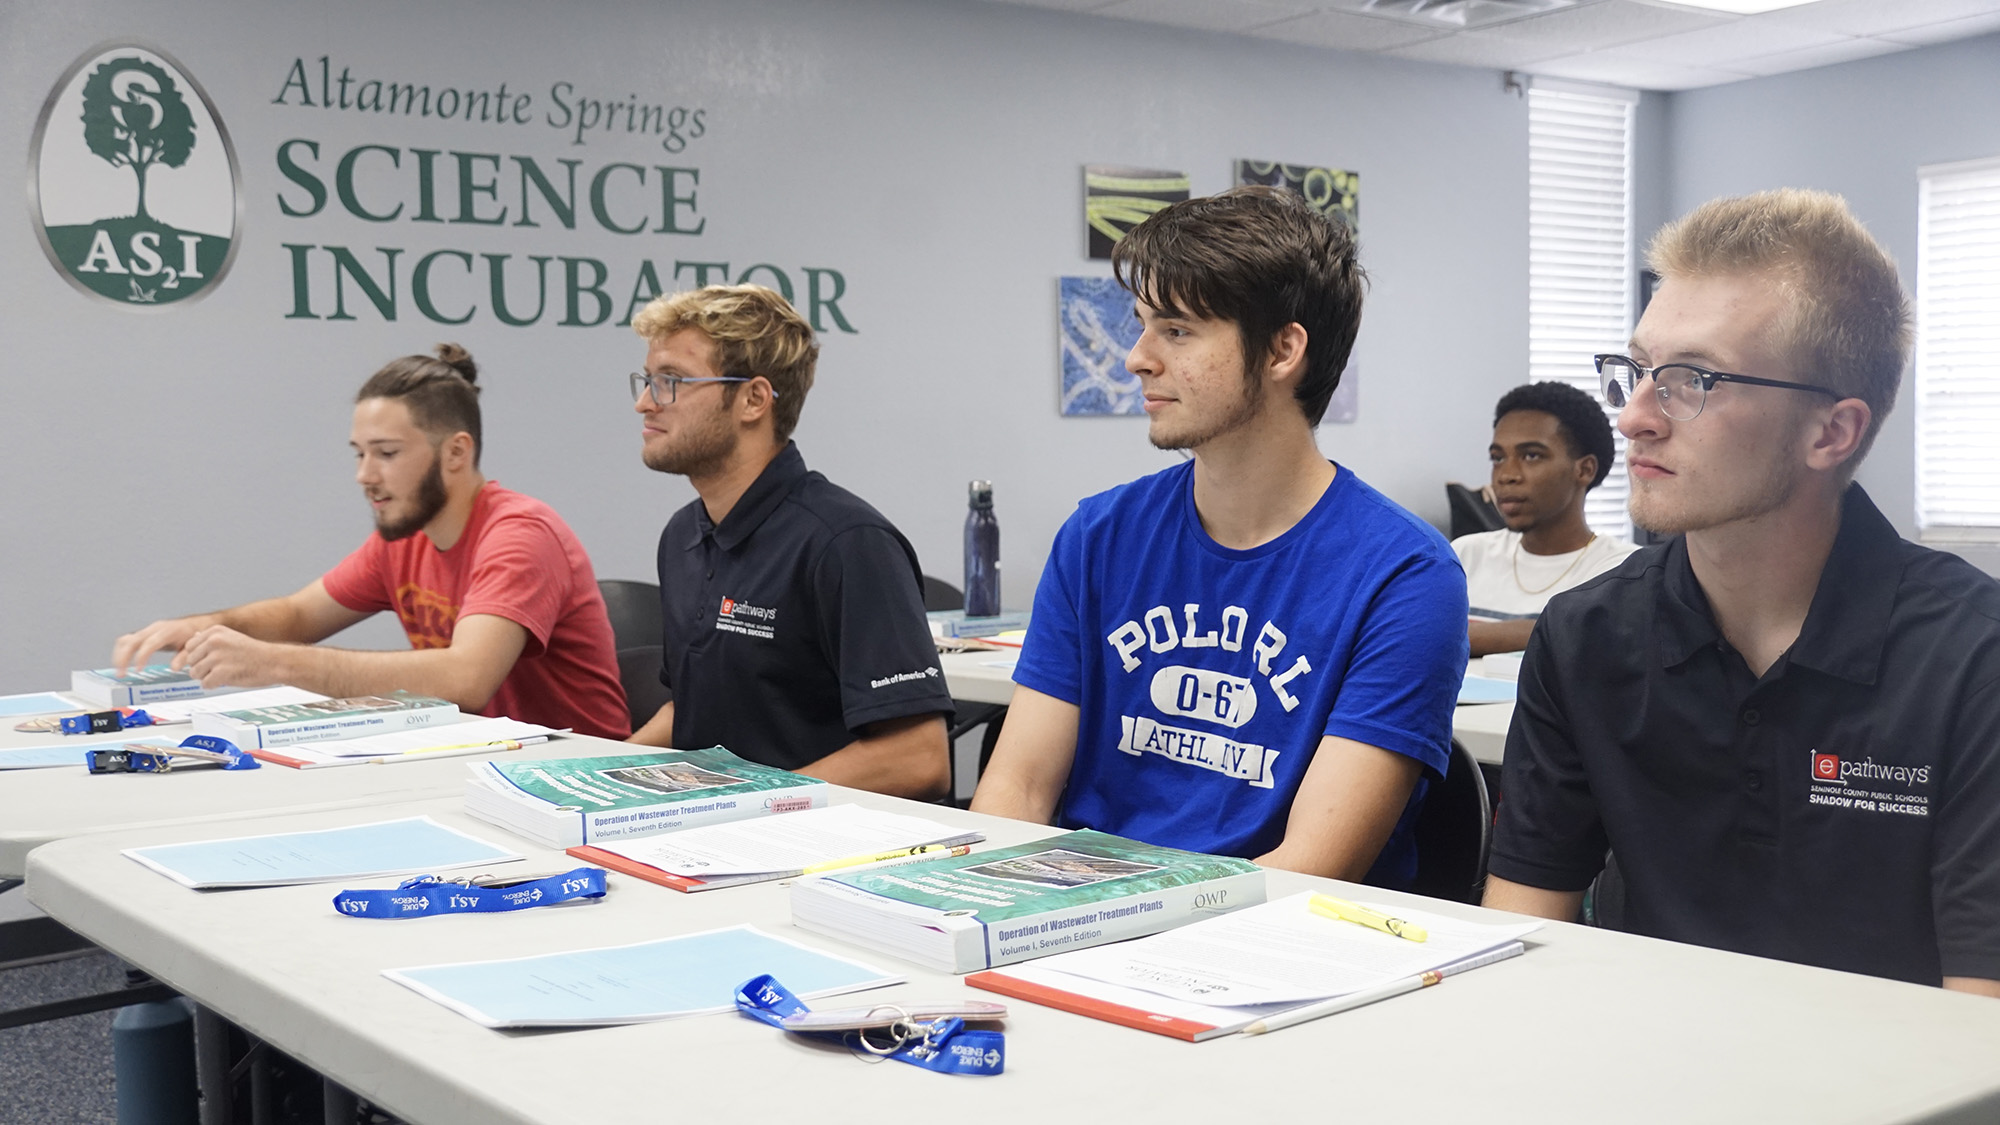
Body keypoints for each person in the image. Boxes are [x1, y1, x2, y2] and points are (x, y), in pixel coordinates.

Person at [1484, 189, 2000, 994]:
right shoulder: (1585, 635)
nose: (1634, 419)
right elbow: (1517, 951)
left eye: (1692, 379)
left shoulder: (1974, 659)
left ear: (1831, 432)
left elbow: (1981, 1031)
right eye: (1638, 371)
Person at [970, 187, 1468, 886]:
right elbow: (1014, 798)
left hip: (1262, 947)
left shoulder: (1406, 576)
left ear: (1282, 350)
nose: (1136, 359)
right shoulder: (1097, 536)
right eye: (1143, 326)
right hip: (1068, 917)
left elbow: (1308, 868)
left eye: (1176, 331)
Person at [113, 345, 630, 740]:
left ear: (456, 452)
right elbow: (298, 616)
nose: (364, 475)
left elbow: (466, 677)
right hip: (478, 764)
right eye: (358, 454)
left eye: (385, 453)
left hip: (573, 778)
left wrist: (273, 662)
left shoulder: (520, 534)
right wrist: (204, 627)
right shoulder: (403, 538)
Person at [625, 284, 953, 801]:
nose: (646, 402)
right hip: (708, 838)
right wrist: (604, 777)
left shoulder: (846, 543)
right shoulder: (682, 535)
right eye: (647, 380)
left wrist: (749, 806)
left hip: (816, 850)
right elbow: (685, 713)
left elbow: (917, 757)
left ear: (754, 399)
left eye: (672, 382)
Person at [1455, 381, 1637, 657]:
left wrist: (1453, 635)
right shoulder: (1466, 554)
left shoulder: (1622, 569)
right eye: (1498, 458)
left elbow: (1593, 636)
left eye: (1531, 456)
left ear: (1584, 470)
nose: (1507, 475)